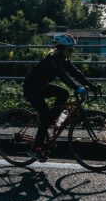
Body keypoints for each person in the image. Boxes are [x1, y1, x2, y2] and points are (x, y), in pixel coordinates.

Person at [22, 33, 100, 162]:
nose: (71, 52)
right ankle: (35, 149)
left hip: (42, 87)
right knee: (46, 117)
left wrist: (91, 86)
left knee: (64, 93)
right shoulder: (52, 59)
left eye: (72, 50)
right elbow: (63, 76)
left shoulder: (63, 59)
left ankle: (53, 117)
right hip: (32, 89)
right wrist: (77, 88)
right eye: (70, 49)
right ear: (62, 48)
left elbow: (76, 73)